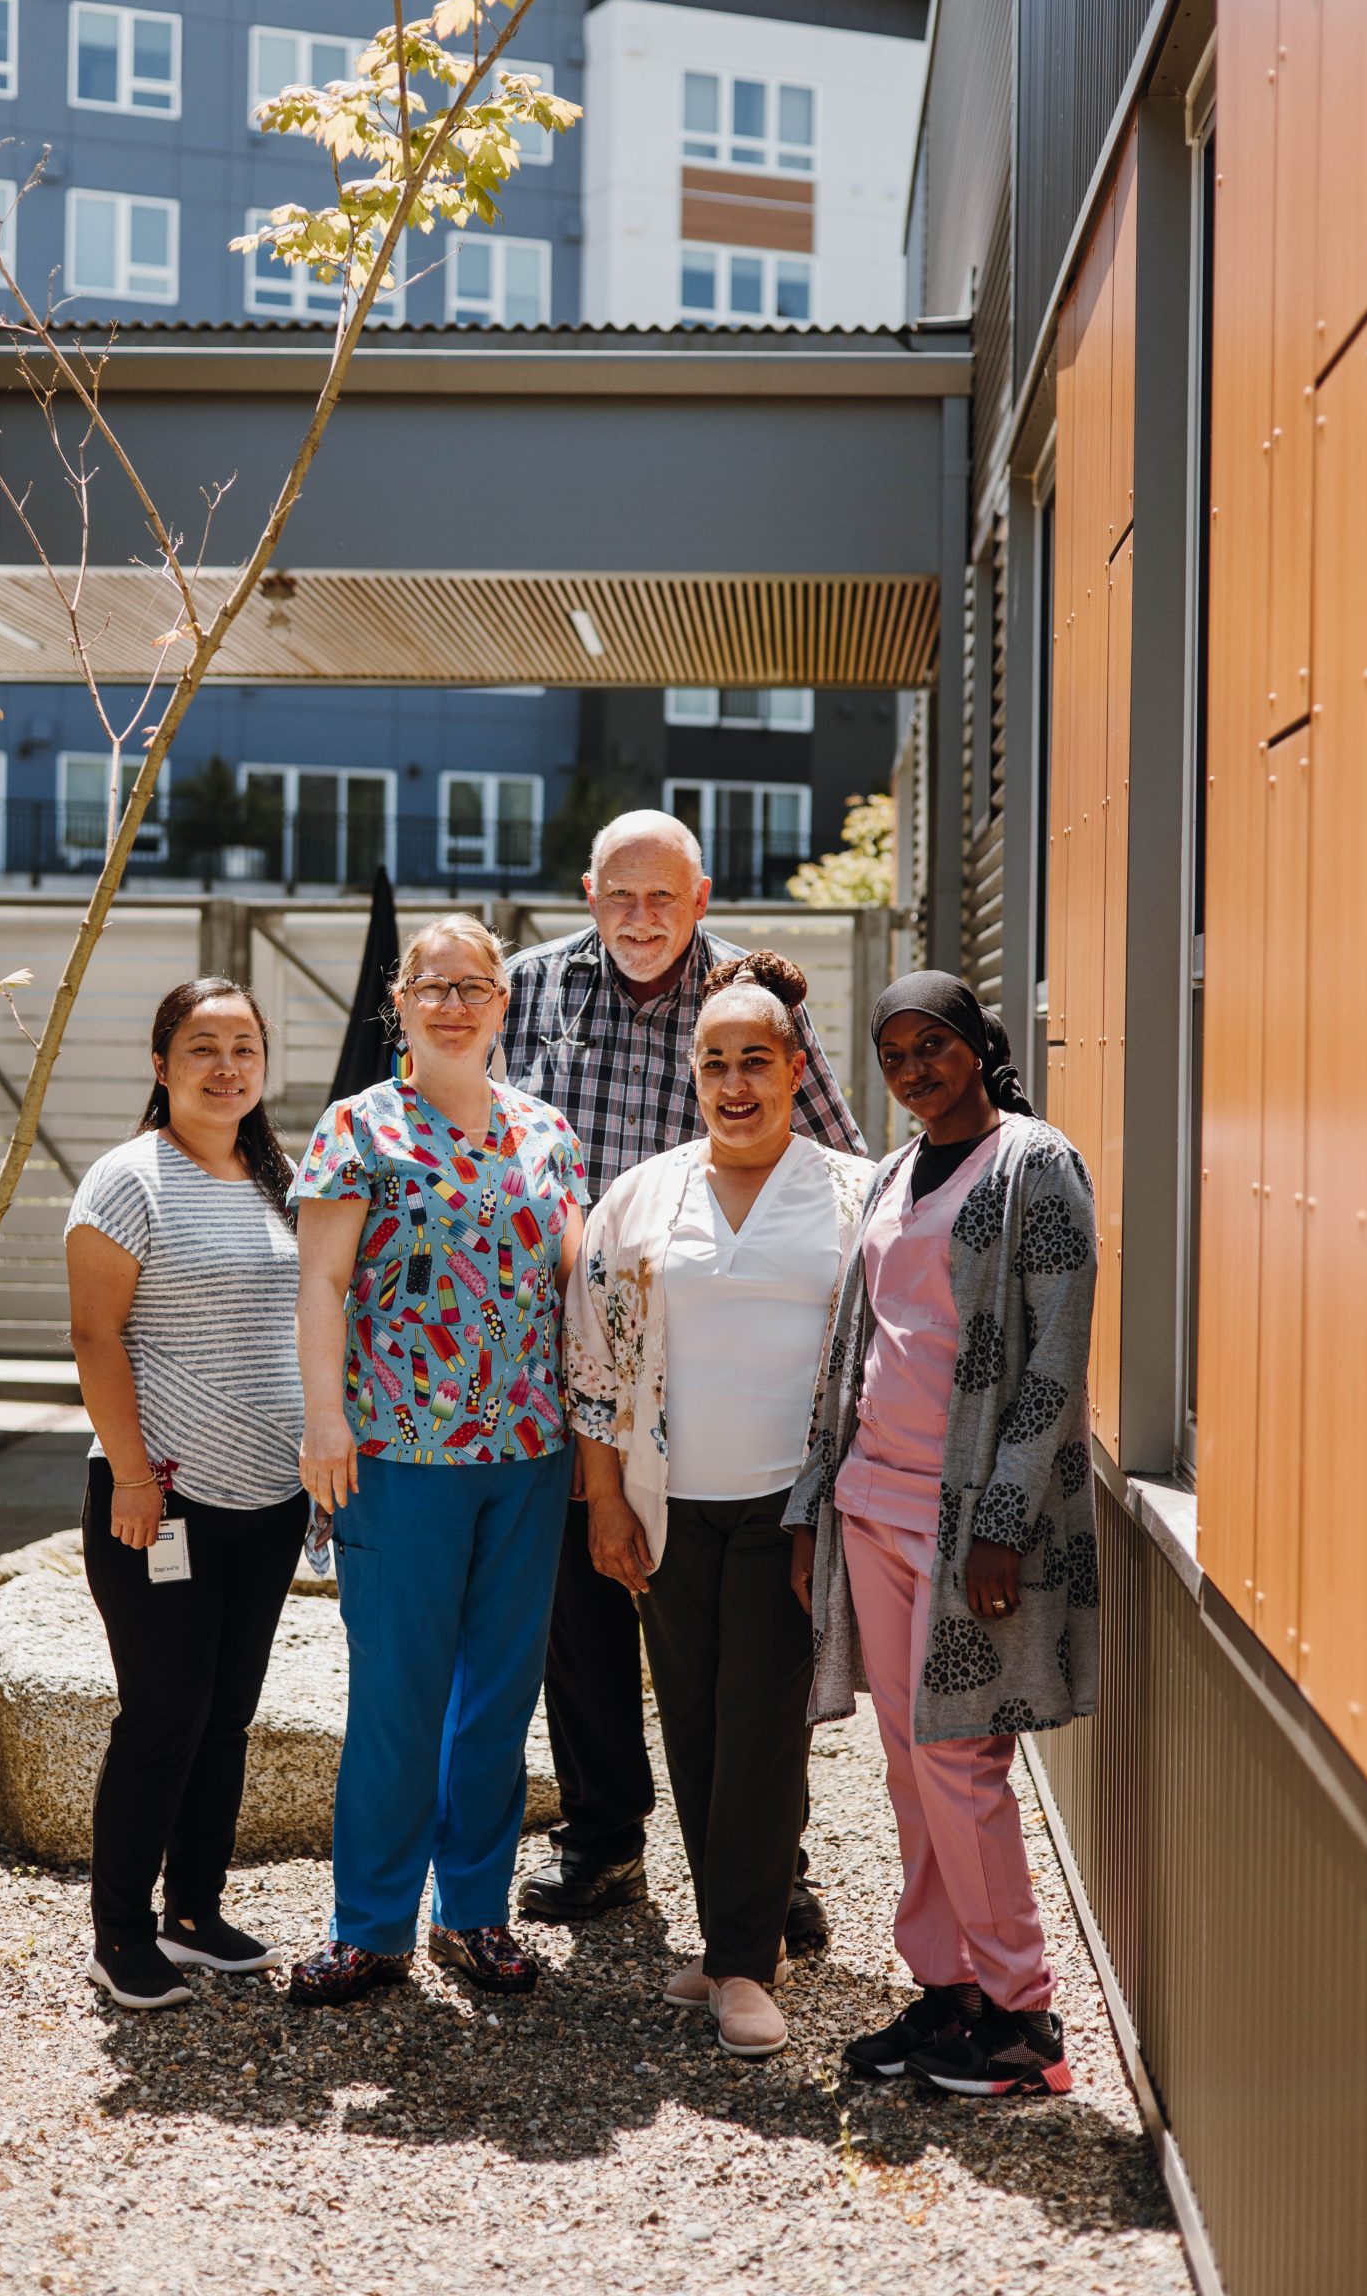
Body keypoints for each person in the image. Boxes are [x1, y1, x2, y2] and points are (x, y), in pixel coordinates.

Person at [501, 808, 864, 1942]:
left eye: (664, 897)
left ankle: (767, 1863)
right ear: (587, 892)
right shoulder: (528, 993)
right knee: (588, 1611)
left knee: (750, 1656)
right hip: (575, 1361)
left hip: (720, 1363)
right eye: (620, 895)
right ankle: (606, 1838)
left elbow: (843, 1170)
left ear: (700, 897)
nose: (641, 918)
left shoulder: (749, 1007)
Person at [786, 972, 1099, 2097]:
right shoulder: (888, 1169)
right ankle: (947, 1989)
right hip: (872, 1501)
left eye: (935, 1045)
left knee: (962, 1760)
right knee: (911, 1765)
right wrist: (815, 1509)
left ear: (978, 1045)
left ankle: (1025, 2021)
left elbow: (1057, 1358)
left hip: (970, 1523)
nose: (916, 1068)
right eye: (895, 1053)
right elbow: (856, 1346)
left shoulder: (1036, 1163)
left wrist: (1004, 1519)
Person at [566, 954, 873, 2057]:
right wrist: (606, 1502)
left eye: (756, 1061)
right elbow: (592, 1362)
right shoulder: (643, 1193)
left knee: (761, 1730)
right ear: (691, 1076)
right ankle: (729, 1935)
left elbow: (880, 1362)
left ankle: (744, 1963)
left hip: (793, 1514)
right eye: (714, 1064)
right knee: (691, 1726)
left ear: (796, 1069)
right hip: (667, 1504)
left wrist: (839, 1515)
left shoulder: (853, 1191)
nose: (734, 1084)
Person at [287, 913, 586, 2007]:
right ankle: (369, 1926)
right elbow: (320, 1284)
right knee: (397, 1700)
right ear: (398, 1001)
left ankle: (474, 1913)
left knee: (498, 1701)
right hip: (398, 1457)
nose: (454, 1002)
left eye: (475, 984)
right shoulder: (357, 1127)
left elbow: (575, 1292)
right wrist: (326, 1422)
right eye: (432, 984)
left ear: (505, 1002)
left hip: (527, 1453)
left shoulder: (546, 1132)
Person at [67, 977, 309, 2012]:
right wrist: (130, 1473)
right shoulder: (129, 1180)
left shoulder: (275, 1177)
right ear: (161, 1065)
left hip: (267, 1498)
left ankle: (196, 1912)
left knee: (226, 1717)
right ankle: (119, 1931)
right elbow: (93, 1334)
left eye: (244, 1046)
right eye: (202, 1046)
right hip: (159, 1501)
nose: (226, 1066)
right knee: (163, 1715)